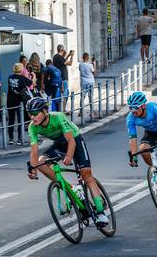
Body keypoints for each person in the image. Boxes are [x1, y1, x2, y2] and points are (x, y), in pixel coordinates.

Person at [25, 97, 109, 226]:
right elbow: (34, 152)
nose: (32, 117)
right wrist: (33, 168)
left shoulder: (58, 117)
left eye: (35, 113)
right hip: (59, 144)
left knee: (86, 174)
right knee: (41, 162)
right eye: (30, 114)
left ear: (45, 111)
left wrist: (69, 156)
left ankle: (101, 213)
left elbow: (71, 141)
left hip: (75, 140)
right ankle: (71, 188)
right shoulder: (33, 127)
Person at [7, 63, 33, 146]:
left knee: (11, 120)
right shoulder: (22, 78)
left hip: (10, 101)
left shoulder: (10, 78)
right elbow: (30, 83)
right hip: (19, 102)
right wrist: (33, 76)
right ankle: (19, 139)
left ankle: (11, 139)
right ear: (21, 69)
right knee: (20, 121)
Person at [53, 45, 74, 113]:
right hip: (63, 78)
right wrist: (72, 56)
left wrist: (68, 55)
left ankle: (60, 109)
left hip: (57, 78)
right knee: (65, 94)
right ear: (62, 50)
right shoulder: (60, 58)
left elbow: (63, 61)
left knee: (59, 94)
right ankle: (62, 110)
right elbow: (70, 63)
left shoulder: (55, 57)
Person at [78, 52, 97, 118]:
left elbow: (81, 70)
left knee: (82, 97)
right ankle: (91, 112)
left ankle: (81, 112)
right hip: (90, 82)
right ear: (88, 58)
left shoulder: (80, 65)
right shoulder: (90, 65)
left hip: (83, 82)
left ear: (83, 58)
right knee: (90, 97)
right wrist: (94, 64)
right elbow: (94, 72)